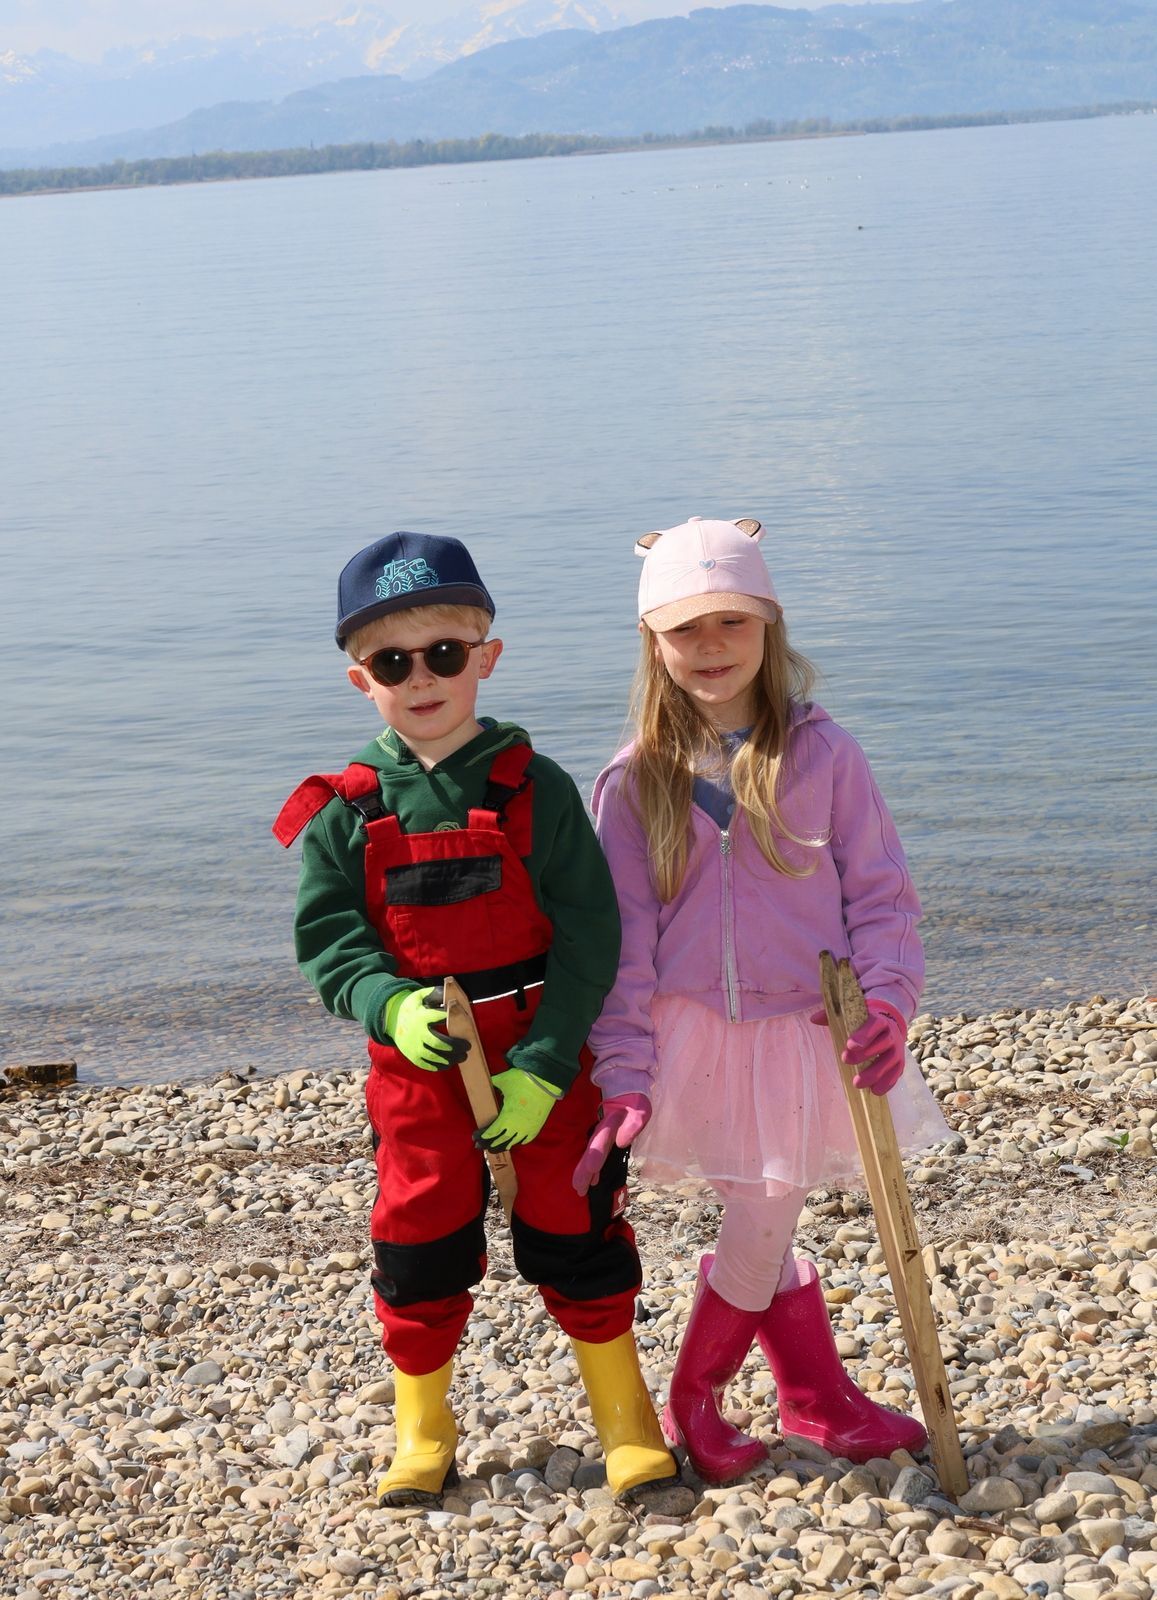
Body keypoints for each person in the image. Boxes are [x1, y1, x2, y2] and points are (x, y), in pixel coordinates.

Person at [274, 531, 678, 1506]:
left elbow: (591, 932)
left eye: (444, 653)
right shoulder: (343, 812)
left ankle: (625, 1422)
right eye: (391, 661)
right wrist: (384, 1004)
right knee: (419, 1237)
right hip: (417, 1066)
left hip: (542, 1046)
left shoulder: (533, 789)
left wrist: (544, 1062)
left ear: (484, 656)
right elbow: (330, 943)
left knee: (572, 1223)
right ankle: (424, 1428)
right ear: (357, 677)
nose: (421, 678)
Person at [573, 515, 948, 1485]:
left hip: (804, 1026)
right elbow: (620, 946)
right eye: (684, 628)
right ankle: (701, 1402)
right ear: (651, 641)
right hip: (690, 1033)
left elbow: (880, 895)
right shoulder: (630, 781)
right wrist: (623, 1070)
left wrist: (887, 1001)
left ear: (768, 629)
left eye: (730, 623)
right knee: (764, 1211)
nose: (708, 647)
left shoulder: (824, 757)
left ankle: (805, 1395)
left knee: (765, 1211)